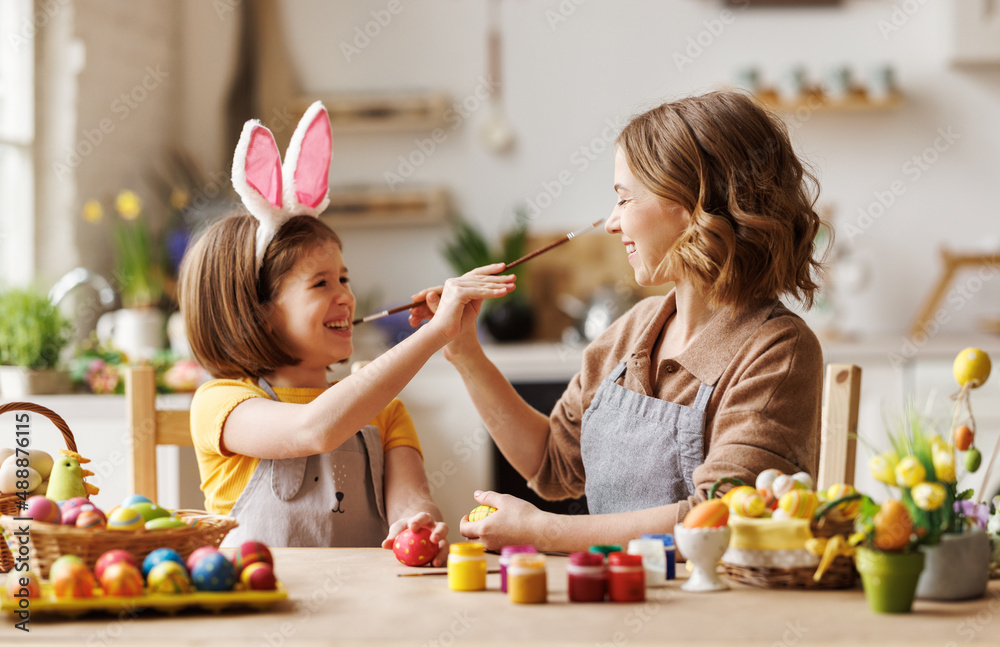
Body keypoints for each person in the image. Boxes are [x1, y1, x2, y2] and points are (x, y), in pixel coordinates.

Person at [409, 90, 827, 553]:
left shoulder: (777, 349)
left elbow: (724, 513)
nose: (611, 223)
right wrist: (466, 354)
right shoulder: (634, 330)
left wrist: (542, 531)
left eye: (624, 200)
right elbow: (553, 465)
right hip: (615, 599)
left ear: (692, 203)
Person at [178, 102, 515, 563]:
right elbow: (312, 429)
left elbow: (412, 501)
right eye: (321, 284)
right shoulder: (222, 403)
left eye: (344, 279)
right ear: (254, 313)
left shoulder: (387, 413)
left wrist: (416, 522)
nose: (346, 297)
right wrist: (436, 333)